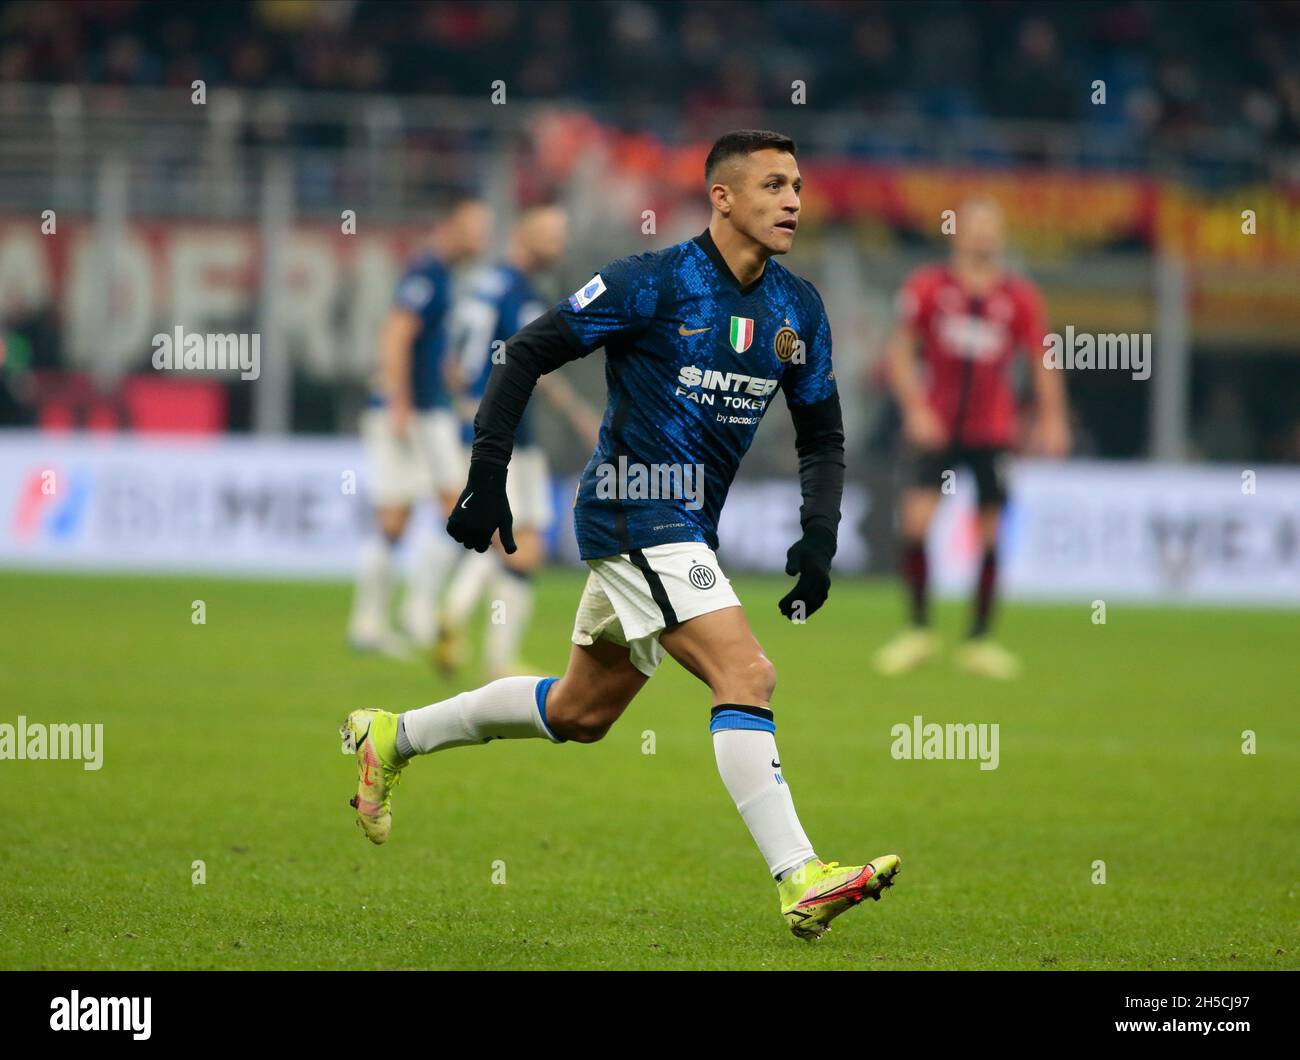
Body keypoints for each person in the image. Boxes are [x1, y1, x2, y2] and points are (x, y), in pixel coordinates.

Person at [340, 130, 900, 940]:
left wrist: (820, 538)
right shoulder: (656, 283)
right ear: (724, 197)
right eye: (774, 185)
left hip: (681, 523)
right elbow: (527, 351)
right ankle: (799, 877)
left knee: (581, 711)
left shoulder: (797, 307)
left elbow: (822, 435)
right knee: (747, 672)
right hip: (634, 507)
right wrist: (486, 475)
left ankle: (393, 736)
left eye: (799, 186)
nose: (792, 201)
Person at [874, 197, 1069, 679]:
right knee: (917, 524)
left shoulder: (1019, 297)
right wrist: (916, 410)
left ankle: (980, 640)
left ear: (1000, 237)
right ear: (956, 233)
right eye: (975, 227)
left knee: (990, 531)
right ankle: (918, 630)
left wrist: (1053, 419)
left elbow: (1043, 361)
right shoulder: (928, 288)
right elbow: (898, 353)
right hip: (936, 428)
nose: (983, 236)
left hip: (992, 432)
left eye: (991, 228)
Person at [438, 203, 601, 678]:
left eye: (561, 233)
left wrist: (462, 402)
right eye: (549, 233)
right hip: (511, 434)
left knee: (507, 536)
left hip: (480, 422)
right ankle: (494, 651)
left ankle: (454, 615)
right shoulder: (519, 294)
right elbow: (534, 361)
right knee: (525, 543)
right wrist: (577, 412)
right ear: (523, 236)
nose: (558, 243)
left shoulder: (484, 285)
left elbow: (453, 358)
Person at [346, 195, 492, 654]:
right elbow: (396, 333)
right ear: (448, 225)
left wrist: (451, 375)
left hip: (427, 408)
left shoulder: (445, 278)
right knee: (447, 510)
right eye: (474, 227)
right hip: (412, 412)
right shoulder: (425, 272)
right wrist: (399, 402)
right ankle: (409, 614)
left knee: (402, 516)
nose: (481, 238)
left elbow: (426, 344)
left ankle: (376, 622)